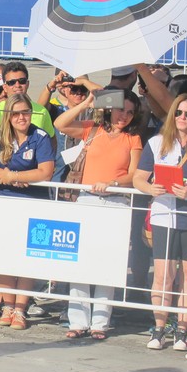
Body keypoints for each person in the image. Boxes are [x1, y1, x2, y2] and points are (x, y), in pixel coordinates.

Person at [54, 90, 143, 340]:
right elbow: (60, 123)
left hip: (116, 202)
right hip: (86, 199)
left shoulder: (133, 138)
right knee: (81, 262)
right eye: (120, 109)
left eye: (129, 112)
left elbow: (135, 174)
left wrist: (112, 182)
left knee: (108, 263)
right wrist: (87, 102)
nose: (123, 116)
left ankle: (100, 323)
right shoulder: (92, 128)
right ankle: (78, 321)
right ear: (110, 107)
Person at [0, 93, 55, 330]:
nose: (22, 117)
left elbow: (45, 172)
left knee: (26, 258)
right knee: (4, 257)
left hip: (32, 203)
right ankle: (7, 305)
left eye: (26, 112)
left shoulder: (39, 137)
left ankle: (21, 308)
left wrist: (15, 176)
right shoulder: (0, 137)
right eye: (17, 113)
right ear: (8, 116)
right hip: (5, 202)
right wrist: (5, 177)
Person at [133, 94, 187, 351]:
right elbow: (138, 178)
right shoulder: (157, 143)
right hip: (163, 215)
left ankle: (182, 329)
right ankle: (159, 327)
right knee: (163, 275)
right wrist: (151, 188)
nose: (183, 118)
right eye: (179, 113)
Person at [0, 62, 56, 149]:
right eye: (12, 82)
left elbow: (51, 139)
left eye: (22, 81)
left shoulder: (42, 111)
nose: (17, 85)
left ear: (27, 84)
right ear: (5, 87)